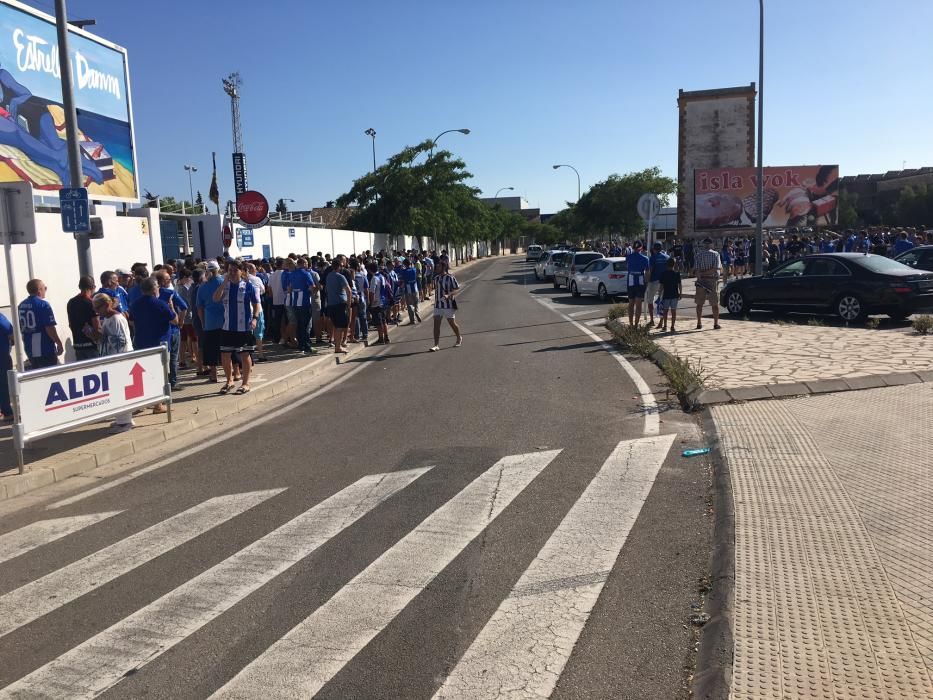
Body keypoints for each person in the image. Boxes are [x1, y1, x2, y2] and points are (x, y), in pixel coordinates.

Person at [128, 276, 176, 414]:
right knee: (160, 375)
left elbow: (131, 322)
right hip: (159, 344)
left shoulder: (135, 304)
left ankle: (144, 402)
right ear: (154, 288)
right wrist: (172, 307)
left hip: (141, 343)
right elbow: (175, 320)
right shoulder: (160, 304)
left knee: (144, 375)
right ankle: (158, 405)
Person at [212, 261, 261, 394]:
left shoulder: (248, 286)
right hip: (227, 326)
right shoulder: (225, 286)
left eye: (235, 270)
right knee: (225, 355)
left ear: (242, 271)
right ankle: (229, 381)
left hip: (243, 327)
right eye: (230, 271)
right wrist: (223, 283)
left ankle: (245, 383)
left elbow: (256, 304)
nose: (232, 273)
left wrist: (255, 319)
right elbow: (215, 299)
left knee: (245, 354)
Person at [92, 293, 135, 433]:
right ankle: (121, 419)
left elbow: (120, 342)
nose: (96, 311)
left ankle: (125, 421)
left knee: (121, 390)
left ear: (107, 305)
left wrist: (116, 361)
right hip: (112, 359)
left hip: (120, 358)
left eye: (98, 307)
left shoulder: (116, 319)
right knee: (116, 390)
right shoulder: (107, 319)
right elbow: (104, 338)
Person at [19, 278, 62, 369]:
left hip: (29, 346)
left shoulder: (21, 305)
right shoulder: (43, 305)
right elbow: (49, 328)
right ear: (39, 290)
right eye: (44, 288)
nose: (45, 290)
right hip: (43, 347)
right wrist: (58, 342)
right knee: (50, 375)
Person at [155, 270, 188, 390]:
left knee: (162, 359)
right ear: (162, 281)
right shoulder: (170, 293)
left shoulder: (153, 295)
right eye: (168, 279)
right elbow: (184, 307)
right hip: (173, 330)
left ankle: (163, 382)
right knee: (173, 358)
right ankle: (172, 382)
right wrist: (181, 322)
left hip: (159, 332)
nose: (170, 281)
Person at [196, 261, 224, 383]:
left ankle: (214, 374)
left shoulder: (203, 286)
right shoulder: (225, 282)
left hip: (210, 322)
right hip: (226, 321)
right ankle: (235, 371)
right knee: (227, 348)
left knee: (211, 350)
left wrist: (203, 322)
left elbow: (199, 308)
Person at [430, 260, 463, 352]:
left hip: (448, 305)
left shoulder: (450, 278)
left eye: (439, 267)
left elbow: (457, 289)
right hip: (438, 305)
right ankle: (436, 345)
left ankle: (459, 337)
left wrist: (449, 295)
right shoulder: (436, 278)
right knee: (436, 325)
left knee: (452, 323)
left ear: (443, 267)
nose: (437, 268)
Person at [67, 276, 100, 361]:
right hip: (91, 346)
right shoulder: (91, 303)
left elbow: (70, 324)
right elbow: (97, 326)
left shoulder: (71, 302)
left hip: (78, 345)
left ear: (79, 287)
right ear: (93, 287)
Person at [324, 255, 352, 353]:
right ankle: (338, 347)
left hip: (331, 304)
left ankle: (337, 345)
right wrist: (348, 304)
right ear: (339, 266)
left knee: (336, 326)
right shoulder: (340, 276)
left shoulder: (328, 276)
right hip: (340, 304)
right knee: (340, 327)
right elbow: (348, 290)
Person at [289, 257, 316, 354]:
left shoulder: (292, 274)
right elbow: (312, 287)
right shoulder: (306, 273)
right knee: (306, 325)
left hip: (295, 302)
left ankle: (301, 346)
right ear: (304, 264)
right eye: (306, 263)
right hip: (304, 302)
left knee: (299, 325)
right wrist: (312, 292)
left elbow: (289, 288)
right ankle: (307, 346)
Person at [694, 237, 722, 330]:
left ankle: (699, 323)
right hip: (712, 281)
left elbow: (697, 271)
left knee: (699, 304)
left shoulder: (698, 255)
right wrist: (705, 273)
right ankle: (715, 323)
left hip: (701, 281)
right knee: (714, 304)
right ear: (711, 244)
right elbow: (715, 269)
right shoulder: (716, 254)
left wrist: (700, 276)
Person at [625, 241, 650, 327]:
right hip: (640, 282)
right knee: (638, 304)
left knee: (631, 303)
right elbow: (647, 273)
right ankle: (635, 324)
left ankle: (631, 324)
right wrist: (646, 284)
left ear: (633, 248)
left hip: (631, 281)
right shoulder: (645, 258)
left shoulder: (628, 257)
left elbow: (627, 267)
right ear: (641, 248)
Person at [646, 242, 670, 328]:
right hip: (665, 282)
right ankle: (661, 321)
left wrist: (647, 281)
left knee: (650, 301)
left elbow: (650, 271)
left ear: (653, 249)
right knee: (662, 302)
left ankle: (652, 320)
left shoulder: (652, 258)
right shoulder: (667, 257)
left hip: (654, 281)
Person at [368, 262, 390, 345]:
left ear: (370, 270)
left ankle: (381, 338)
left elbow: (372, 292)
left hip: (376, 302)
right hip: (383, 301)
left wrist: (371, 302)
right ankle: (386, 337)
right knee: (384, 321)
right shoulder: (382, 277)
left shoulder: (374, 278)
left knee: (378, 322)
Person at [658, 261, 683, 333]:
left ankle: (665, 326)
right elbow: (680, 285)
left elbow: (661, 286)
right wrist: (680, 293)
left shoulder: (663, 274)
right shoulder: (677, 274)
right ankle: (672, 326)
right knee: (673, 311)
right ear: (674, 265)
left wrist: (659, 295)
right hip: (675, 294)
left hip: (666, 295)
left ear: (666, 265)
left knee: (665, 311)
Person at [400, 258, 422, 325]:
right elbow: (419, 273)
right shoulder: (414, 269)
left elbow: (402, 280)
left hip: (408, 290)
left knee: (410, 305)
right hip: (415, 288)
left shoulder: (404, 272)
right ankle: (417, 313)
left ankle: (412, 320)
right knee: (416, 303)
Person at [0, 311, 12, 421]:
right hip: (2, 355)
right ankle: (7, 411)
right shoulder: (0, 318)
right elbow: (11, 332)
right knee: (4, 383)